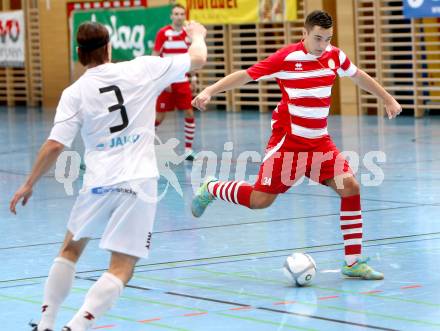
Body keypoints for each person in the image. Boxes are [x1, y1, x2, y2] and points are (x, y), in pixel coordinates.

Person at [10, 20, 207, 331]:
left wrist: (28, 183)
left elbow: (54, 145)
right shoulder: (142, 69)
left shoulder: (75, 93)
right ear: (109, 48)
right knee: (122, 267)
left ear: (79, 54)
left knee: (70, 250)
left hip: (97, 184)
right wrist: (198, 35)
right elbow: (197, 59)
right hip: (138, 183)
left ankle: (46, 323)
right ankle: (75, 327)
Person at [191, 10, 402, 280]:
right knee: (260, 201)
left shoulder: (335, 56)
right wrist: (209, 90)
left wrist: (386, 98)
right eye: (318, 38)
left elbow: (359, 75)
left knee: (350, 187)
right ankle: (212, 187)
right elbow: (245, 75)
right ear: (304, 34)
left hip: (319, 143)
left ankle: (353, 262)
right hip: (288, 143)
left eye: (327, 38)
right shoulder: (287, 58)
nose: (323, 45)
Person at [152, 4, 199, 161]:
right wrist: (161, 80)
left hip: (182, 81)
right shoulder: (163, 33)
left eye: (181, 14)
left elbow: (192, 58)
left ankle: (188, 150)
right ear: (171, 16)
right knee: (159, 117)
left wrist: (193, 77)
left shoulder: (187, 34)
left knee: (189, 112)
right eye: (176, 14)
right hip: (166, 82)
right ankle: (145, 147)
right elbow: (154, 58)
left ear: (184, 16)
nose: (179, 16)